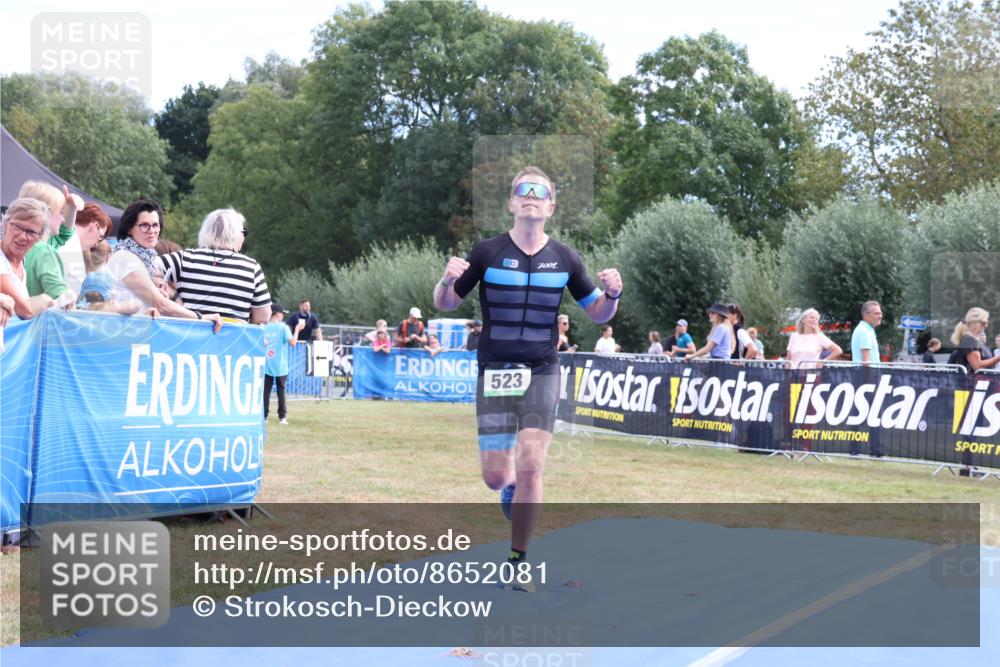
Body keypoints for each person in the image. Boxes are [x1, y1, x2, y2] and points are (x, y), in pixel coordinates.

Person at [432, 165, 622, 587]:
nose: (532, 196)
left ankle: (519, 561)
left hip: (542, 368)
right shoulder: (486, 252)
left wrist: (613, 294)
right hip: (496, 368)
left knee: (533, 463)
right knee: (498, 476)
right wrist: (445, 282)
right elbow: (445, 303)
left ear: (551, 206)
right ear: (512, 203)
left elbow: (598, 313)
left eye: (540, 192)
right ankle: (508, 486)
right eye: (524, 191)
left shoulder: (567, 258)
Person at [107, 198, 223, 330]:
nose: (152, 230)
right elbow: (162, 305)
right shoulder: (125, 258)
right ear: (129, 229)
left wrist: (157, 293)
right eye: (144, 225)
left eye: (156, 225)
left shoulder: (143, 259)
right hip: (122, 336)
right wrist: (200, 317)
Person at [158, 208, 272, 323]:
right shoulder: (252, 268)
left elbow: (144, 268)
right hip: (233, 339)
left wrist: (173, 296)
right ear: (236, 235)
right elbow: (263, 317)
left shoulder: (183, 259)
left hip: (189, 337)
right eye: (244, 233)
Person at [21, 182, 79, 303]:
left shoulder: (14, 243)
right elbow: (61, 298)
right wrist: (71, 296)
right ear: (47, 212)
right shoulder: (44, 250)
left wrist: (71, 207)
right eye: (61, 212)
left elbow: (64, 233)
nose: (63, 218)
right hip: (37, 320)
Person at [1, 198, 56, 321]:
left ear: (40, 237)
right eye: (17, 227)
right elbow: (25, 309)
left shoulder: (21, 261)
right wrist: (46, 298)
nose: (22, 236)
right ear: (5, 224)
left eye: (31, 232)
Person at [851, 300, 884, 456]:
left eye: (880, 313)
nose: (880, 316)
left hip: (865, 374)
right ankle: (875, 450)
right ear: (866, 315)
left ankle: (856, 449)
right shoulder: (864, 331)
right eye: (876, 313)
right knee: (871, 412)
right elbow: (866, 360)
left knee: (860, 411)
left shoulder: (867, 330)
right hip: (866, 374)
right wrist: (872, 383)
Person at [263, 305, 306, 424]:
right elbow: (293, 342)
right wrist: (297, 330)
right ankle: (282, 417)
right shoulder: (283, 327)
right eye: (282, 313)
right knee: (281, 391)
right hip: (280, 364)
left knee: (266, 391)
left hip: (266, 363)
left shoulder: (263, 327)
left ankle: (264, 416)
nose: (283, 316)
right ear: (277, 313)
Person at [949, 308, 1000, 373]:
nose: (986, 326)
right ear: (973, 322)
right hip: (974, 381)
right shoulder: (969, 340)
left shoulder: (973, 339)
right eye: (984, 323)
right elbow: (977, 365)